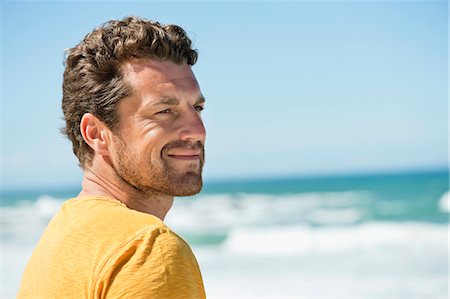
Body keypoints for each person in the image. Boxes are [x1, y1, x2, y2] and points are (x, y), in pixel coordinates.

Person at [18, 16, 207, 298]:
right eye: (164, 111)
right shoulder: (147, 250)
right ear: (95, 133)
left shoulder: (65, 236)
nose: (197, 130)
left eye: (197, 108)